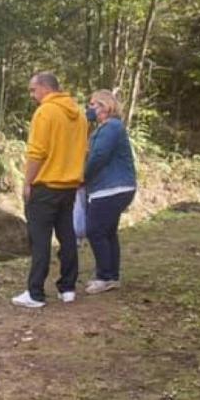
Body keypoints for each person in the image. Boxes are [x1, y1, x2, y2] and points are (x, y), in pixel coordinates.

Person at [12, 72, 88, 308]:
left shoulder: (45, 112)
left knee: (40, 239)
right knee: (66, 236)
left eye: (33, 90)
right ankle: (68, 288)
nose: (32, 95)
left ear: (45, 88)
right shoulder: (79, 114)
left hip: (45, 185)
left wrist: (27, 182)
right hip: (69, 186)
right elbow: (83, 150)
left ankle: (35, 293)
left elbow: (37, 152)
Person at [83, 90, 136, 293]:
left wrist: (83, 177)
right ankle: (112, 276)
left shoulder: (111, 127)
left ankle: (104, 277)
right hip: (114, 187)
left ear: (106, 106)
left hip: (111, 188)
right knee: (108, 232)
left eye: (93, 105)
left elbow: (99, 156)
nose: (90, 109)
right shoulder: (107, 128)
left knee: (95, 231)